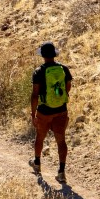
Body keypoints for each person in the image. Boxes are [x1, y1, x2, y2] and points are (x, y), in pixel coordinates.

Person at [29, 41, 72, 185]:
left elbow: (35, 94)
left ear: (43, 56)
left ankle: (37, 163)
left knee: (40, 137)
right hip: (61, 110)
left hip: (44, 111)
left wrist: (33, 114)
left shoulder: (39, 71)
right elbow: (68, 87)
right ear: (54, 54)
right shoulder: (63, 69)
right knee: (61, 141)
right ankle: (61, 172)